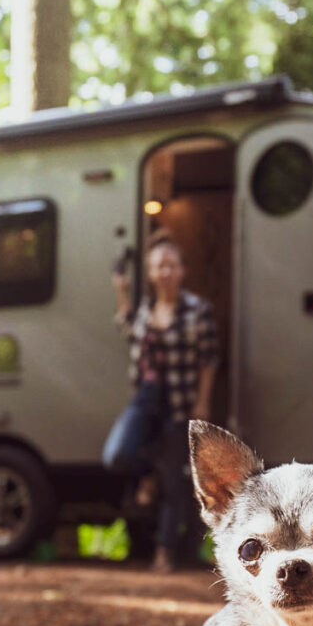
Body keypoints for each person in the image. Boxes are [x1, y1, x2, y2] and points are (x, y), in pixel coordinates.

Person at [103, 235, 218, 571]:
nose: (165, 272)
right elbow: (127, 328)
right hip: (145, 397)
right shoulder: (144, 310)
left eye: (170, 265)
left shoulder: (198, 311)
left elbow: (209, 359)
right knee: (117, 455)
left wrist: (203, 402)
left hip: (179, 401)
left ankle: (164, 552)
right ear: (151, 274)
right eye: (158, 266)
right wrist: (121, 291)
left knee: (174, 482)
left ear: (181, 270)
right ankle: (147, 475)